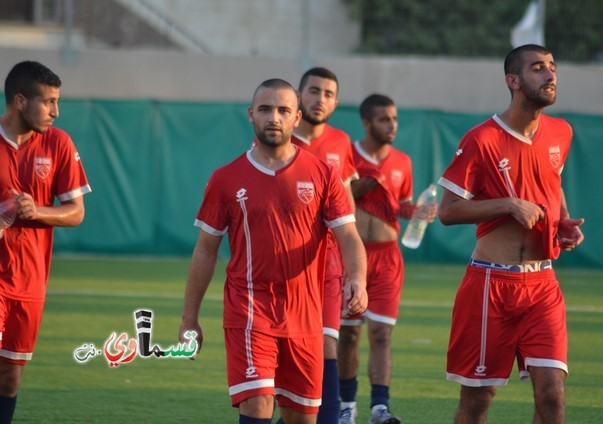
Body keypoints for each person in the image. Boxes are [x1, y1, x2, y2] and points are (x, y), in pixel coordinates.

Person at [178, 78, 367, 424]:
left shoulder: (324, 174)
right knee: (258, 404)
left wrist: (357, 278)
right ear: (251, 115)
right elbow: (205, 251)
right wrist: (189, 319)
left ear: (297, 118)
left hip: (305, 315)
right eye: (265, 109)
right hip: (249, 310)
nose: (273, 118)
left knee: (301, 418)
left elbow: (350, 237)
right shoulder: (225, 178)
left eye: (283, 110)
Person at [437, 44, 585, 423]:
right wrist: (507, 204)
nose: (550, 75)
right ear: (513, 81)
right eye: (538, 68)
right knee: (477, 402)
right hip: (490, 285)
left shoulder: (561, 132)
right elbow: (448, 211)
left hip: (543, 285)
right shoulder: (481, 139)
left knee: (552, 395)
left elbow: (553, 184)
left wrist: (563, 222)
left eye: (552, 66)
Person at [0, 61, 91, 423]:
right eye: (49, 101)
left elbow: (75, 211)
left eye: (58, 101)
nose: (56, 111)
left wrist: (35, 211)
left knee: (9, 378)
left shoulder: (59, 143)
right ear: (20, 101)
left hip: (30, 282)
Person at [338, 94, 436, 424]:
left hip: (387, 260)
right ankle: (345, 407)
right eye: (384, 119)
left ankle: (379, 408)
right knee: (349, 334)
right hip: (351, 257)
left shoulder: (402, 162)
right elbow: (335, 199)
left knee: (381, 334)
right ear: (367, 123)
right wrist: (362, 187)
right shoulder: (346, 153)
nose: (391, 125)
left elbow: (401, 205)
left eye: (394, 118)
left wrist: (417, 211)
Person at [290, 67, 358, 424]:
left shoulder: (340, 142)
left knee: (327, 343)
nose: (321, 99)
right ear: (300, 95)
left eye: (329, 94)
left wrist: (353, 267)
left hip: (329, 263)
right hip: (286, 264)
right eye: (314, 91)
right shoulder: (277, 138)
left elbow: (347, 207)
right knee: (291, 350)